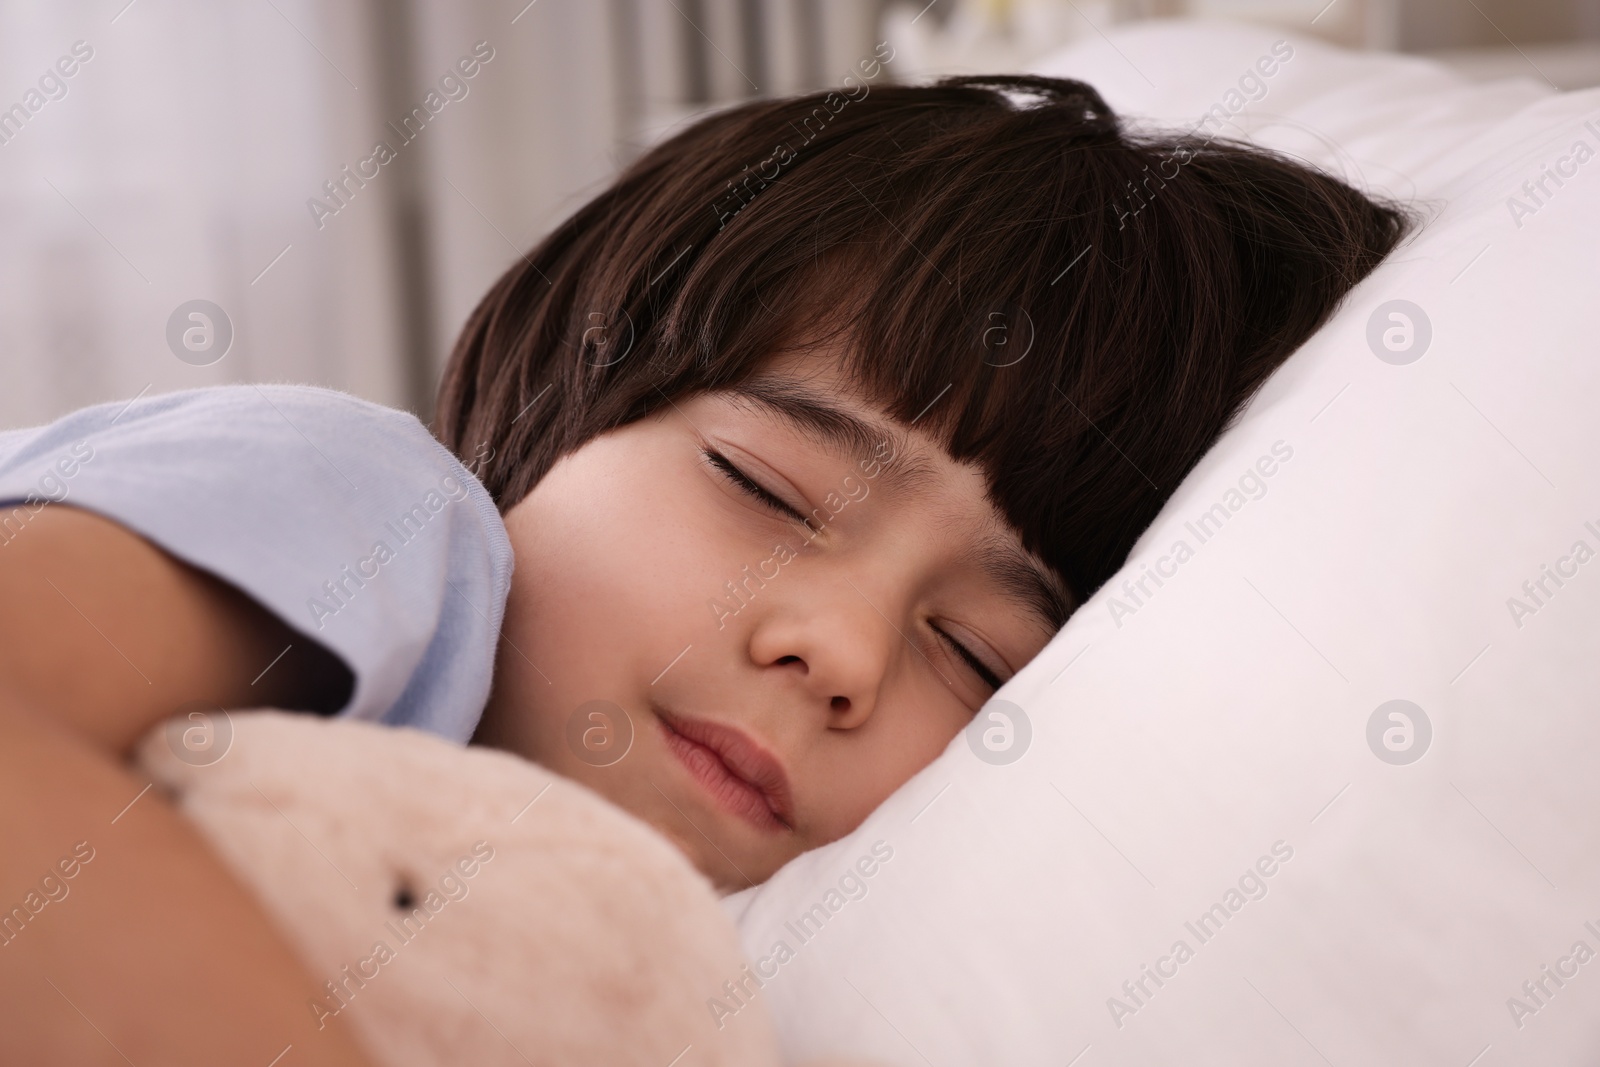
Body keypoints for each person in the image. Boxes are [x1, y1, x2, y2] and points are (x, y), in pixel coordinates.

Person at [0, 73, 1411, 1063]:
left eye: (978, 654)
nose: (842, 651)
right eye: (766, 487)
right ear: (560, 404)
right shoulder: (371, 504)